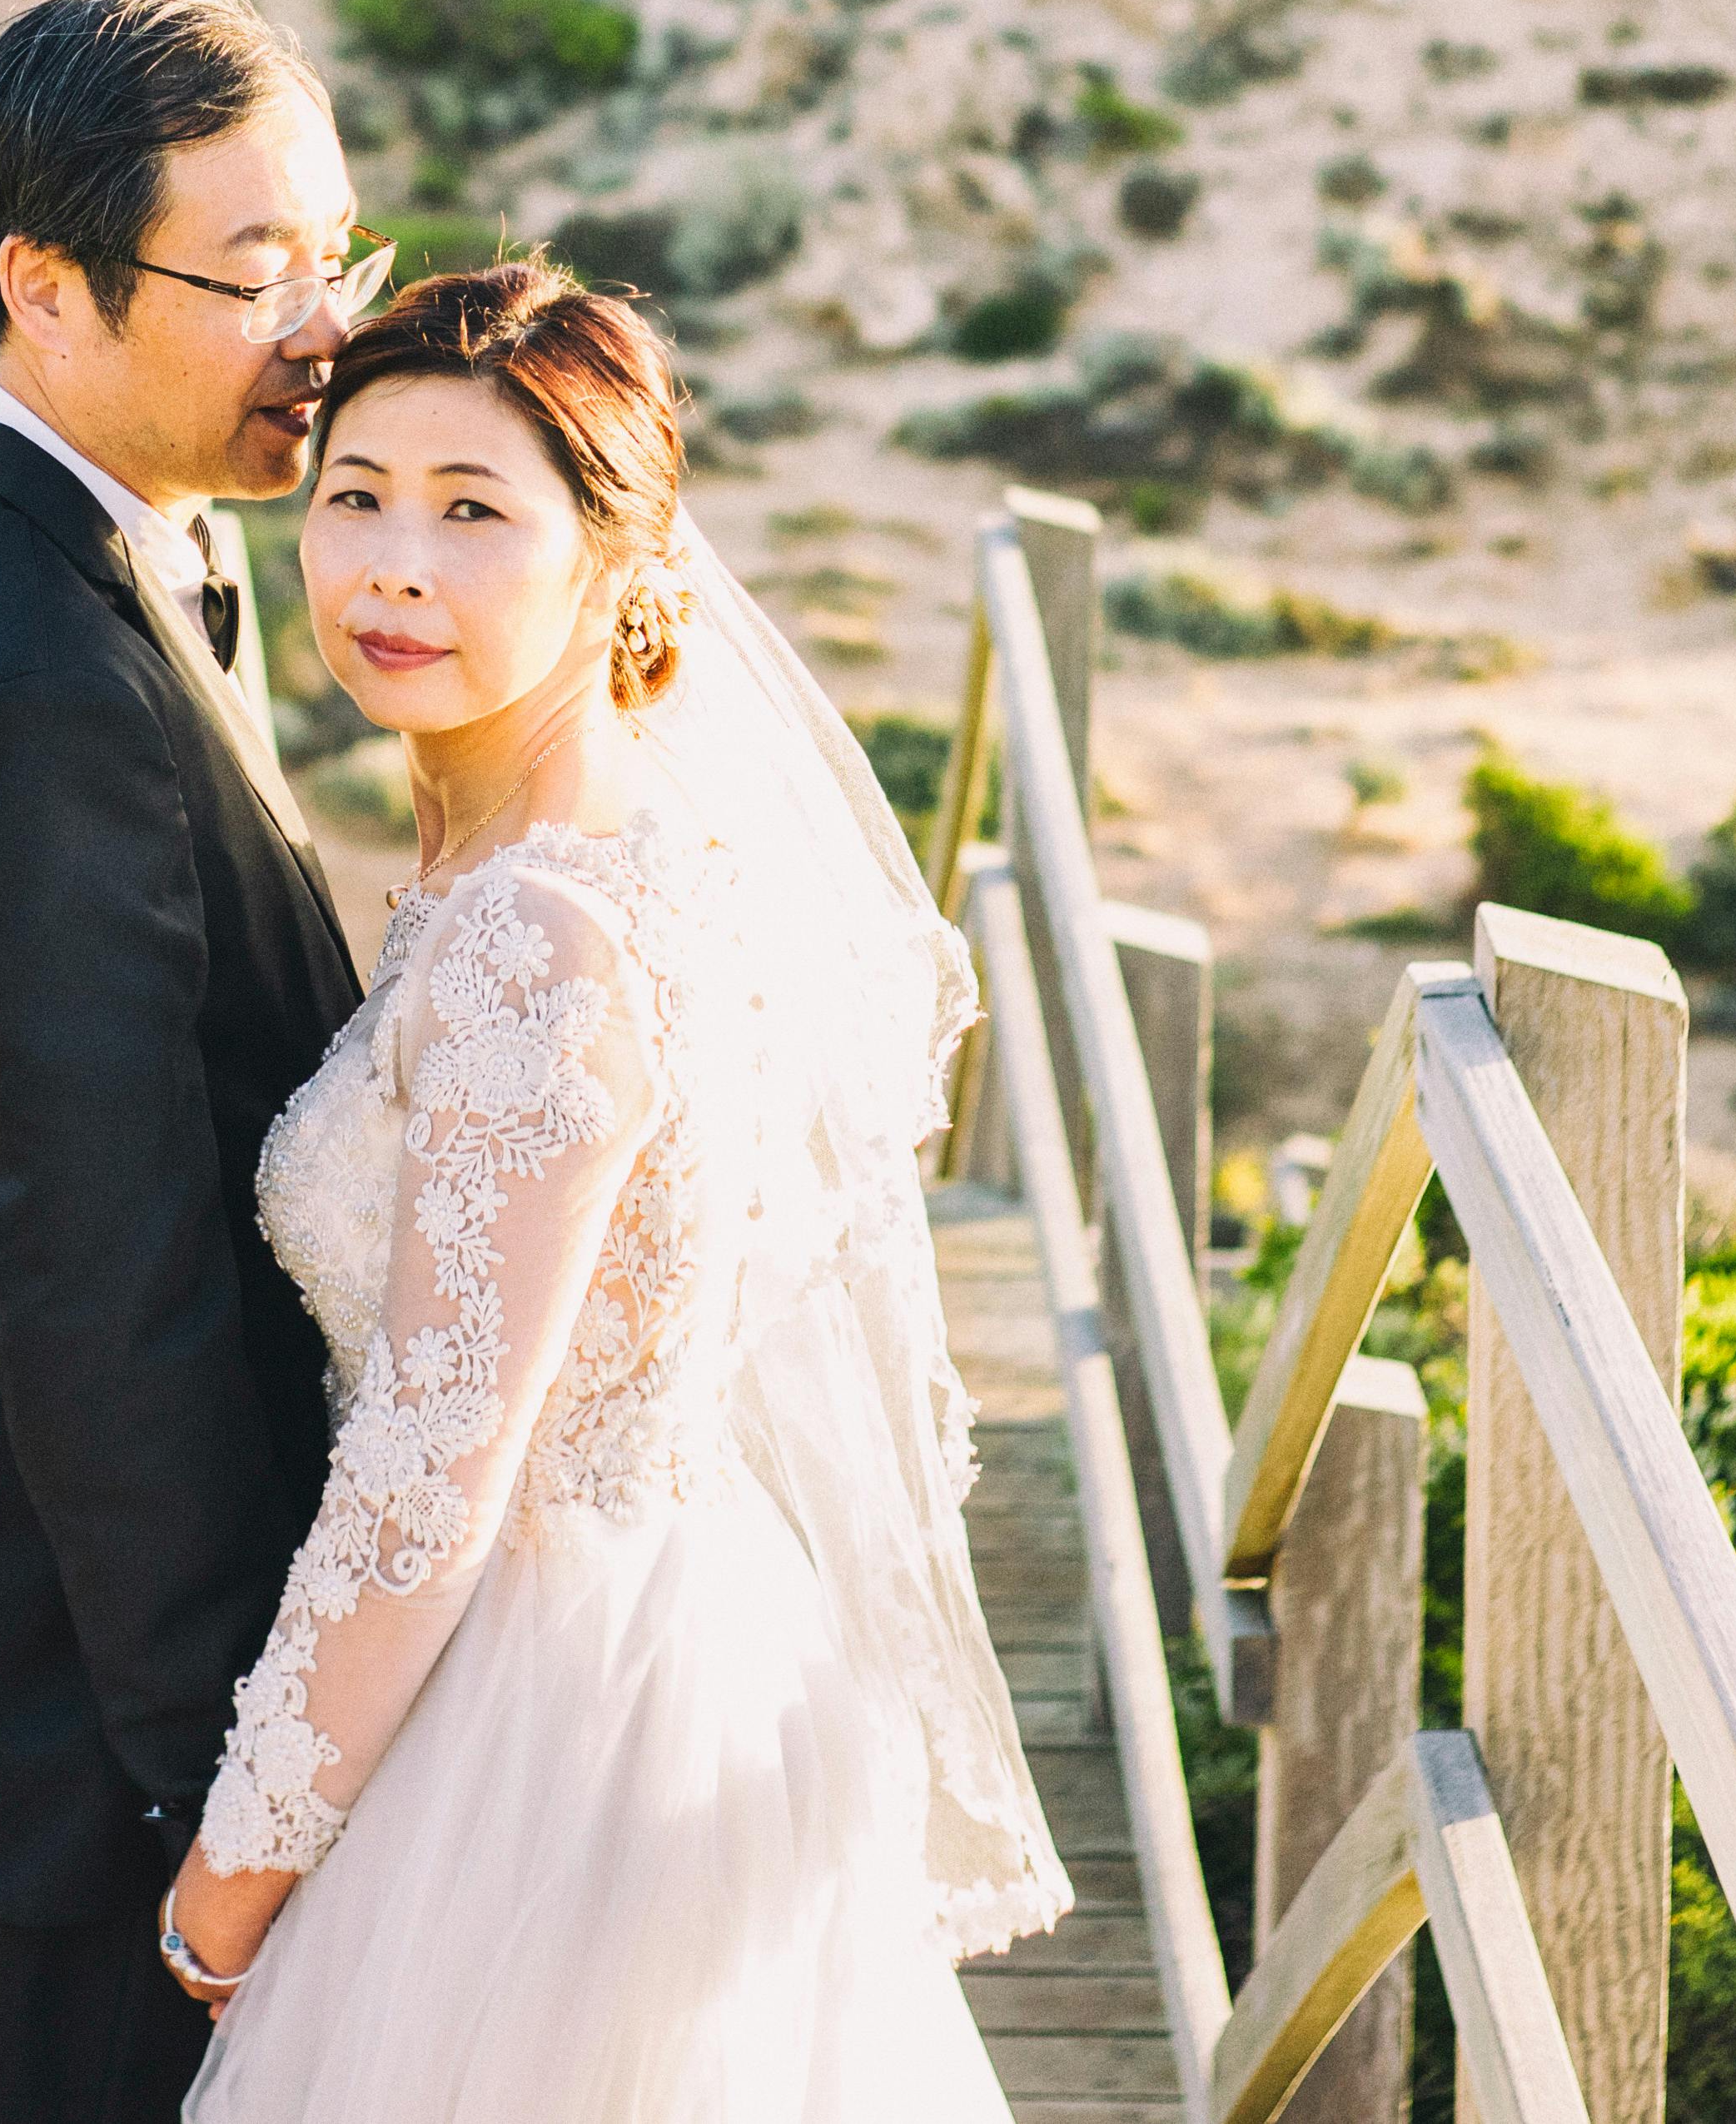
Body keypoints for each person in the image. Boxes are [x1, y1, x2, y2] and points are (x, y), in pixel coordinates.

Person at [160, 261, 1063, 2121]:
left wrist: (228, 1888)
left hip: (537, 1759)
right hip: (680, 1643)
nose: (393, 565)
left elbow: (429, 1484)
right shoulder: (633, 844)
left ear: (620, 557)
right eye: (357, 493)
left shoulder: (531, 943)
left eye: (476, 510)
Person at [0, 0, 400, 2124]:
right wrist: (232, 1791)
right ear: (48, 287)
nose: (324, 325)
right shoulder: (40, 686)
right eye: (254, 272)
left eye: (338, 252)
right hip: (92, 1732)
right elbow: (98, 1285)